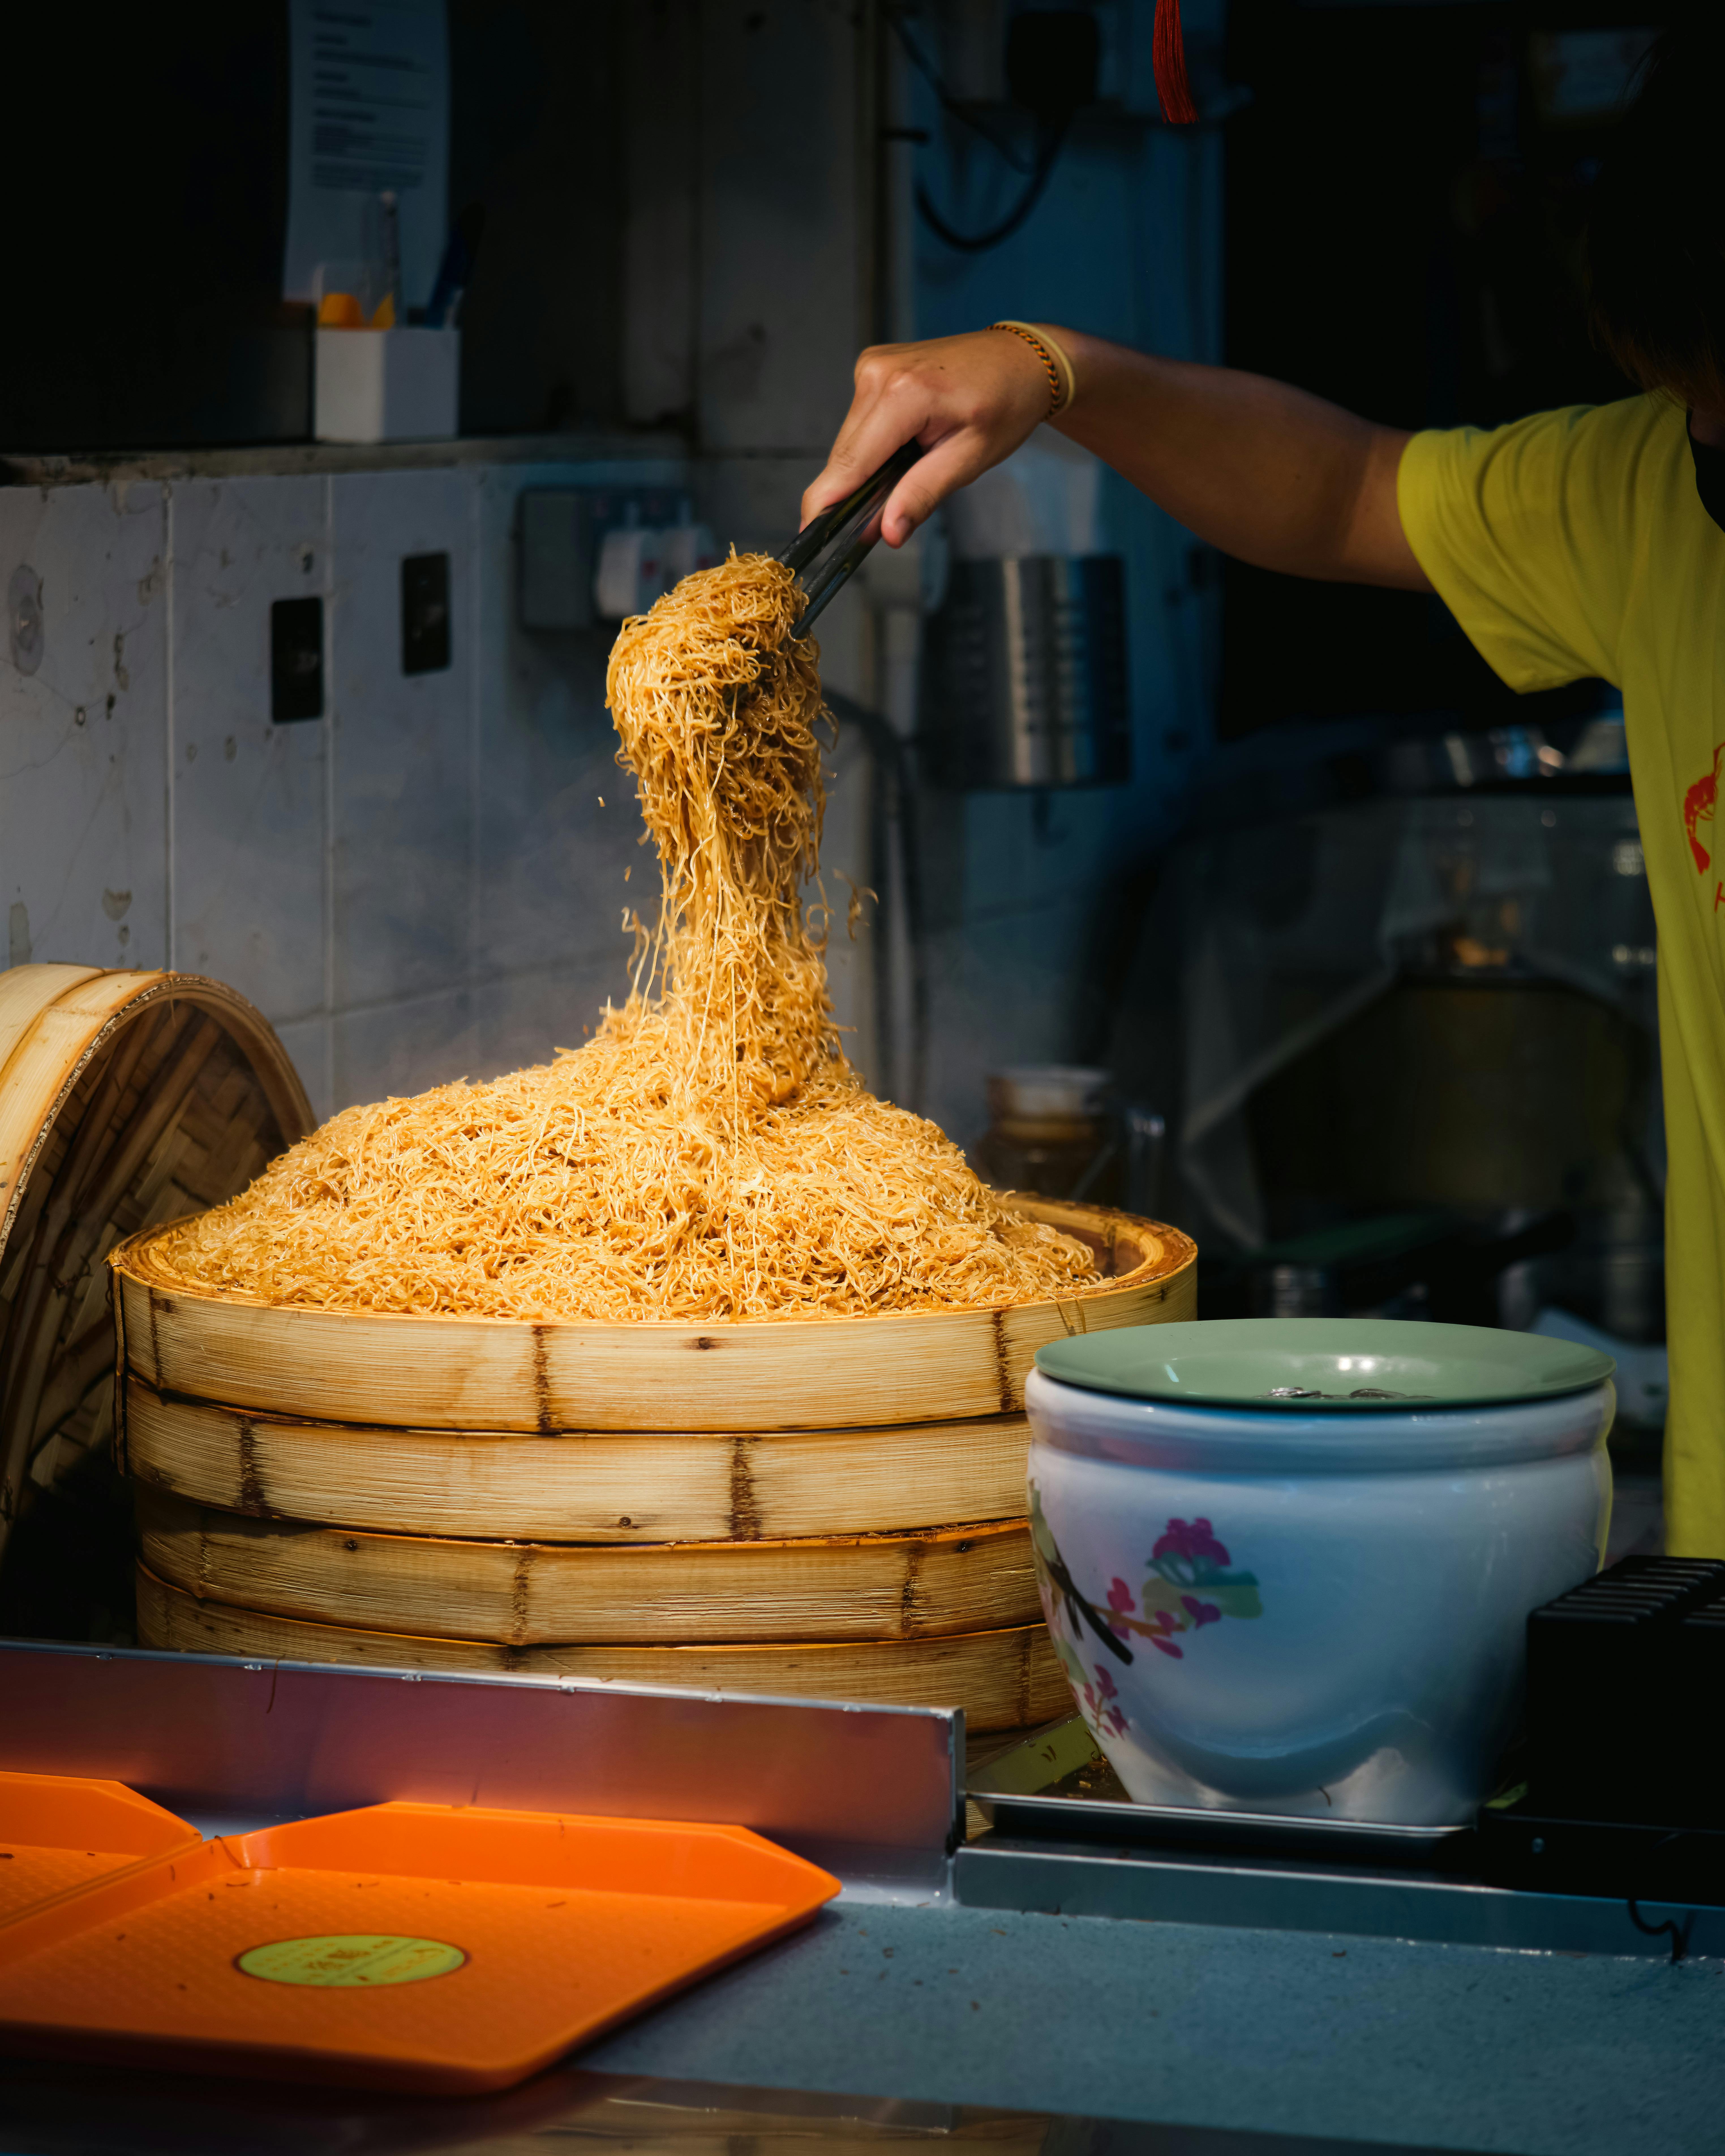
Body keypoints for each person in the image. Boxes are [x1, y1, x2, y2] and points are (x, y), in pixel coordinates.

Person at [801, 18, 1725, 1558]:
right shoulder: (1649, 504)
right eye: (1702, 425)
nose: (1710, 463)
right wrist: (1057, 373)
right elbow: (1348, 488)